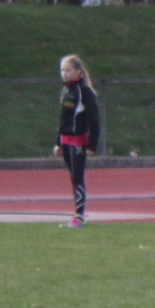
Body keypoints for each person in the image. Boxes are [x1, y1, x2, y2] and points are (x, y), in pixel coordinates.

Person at [54, 56, 101, 227]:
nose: (64, 73)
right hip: (66, 142)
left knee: (78, 178)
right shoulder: (67, 91)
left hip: (78, 142)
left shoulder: (84, 92)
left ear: (78, 72)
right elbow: (63, 120)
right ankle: (76, 213)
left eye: (68, 70)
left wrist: (91, 144)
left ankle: (79, 215)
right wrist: (59, 142)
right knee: (73, 178)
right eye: (62, 70)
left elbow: (93, 120)